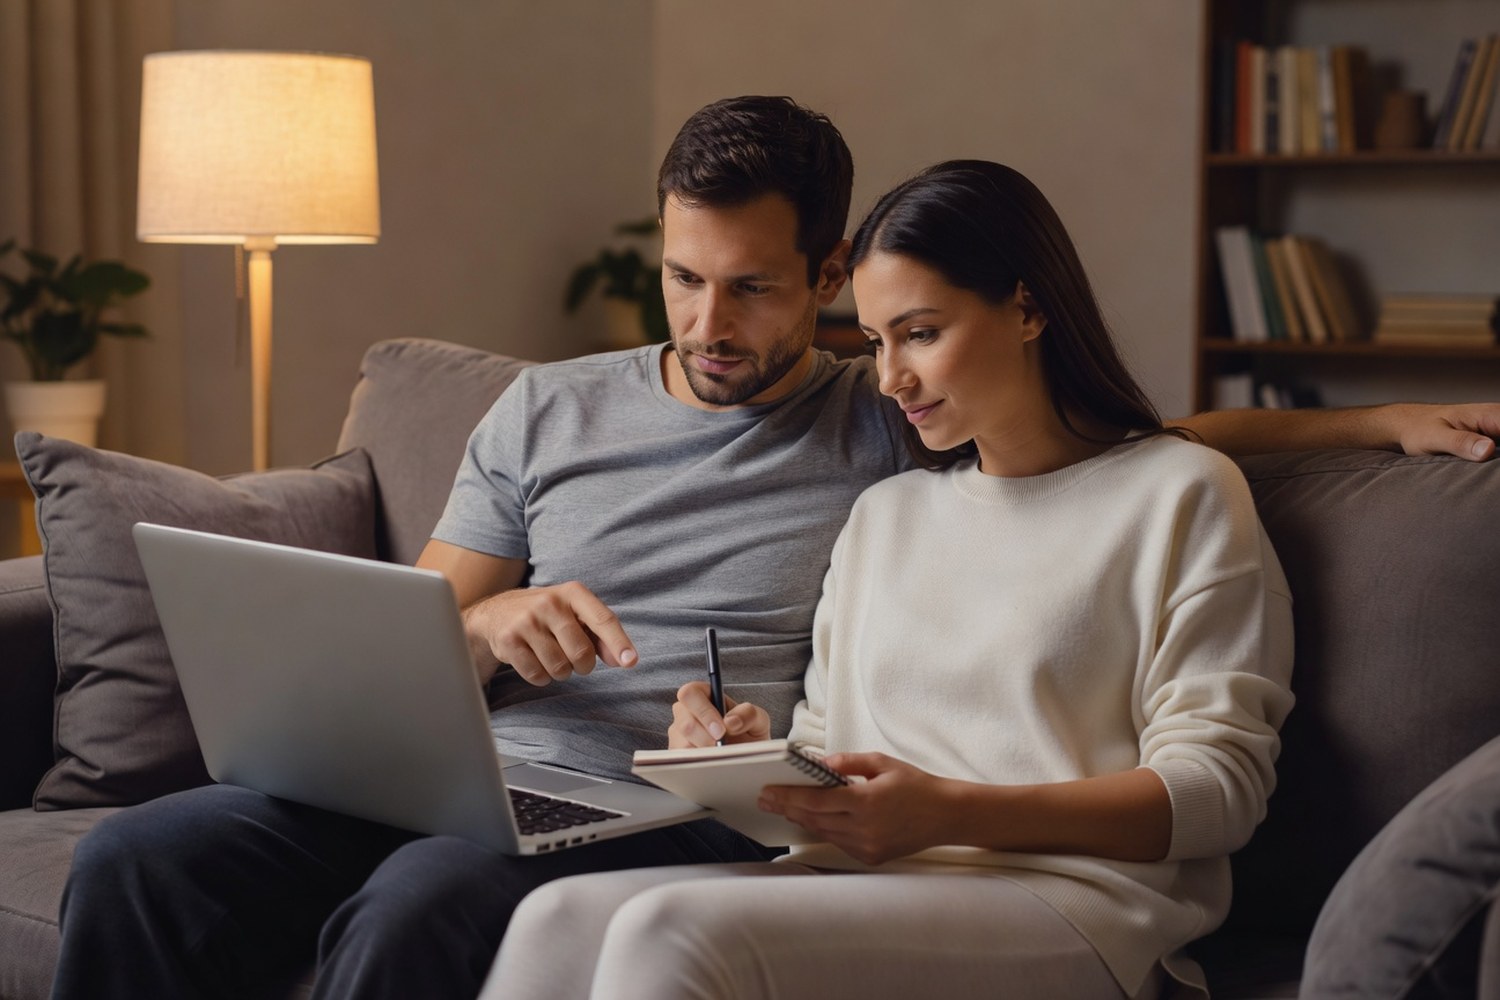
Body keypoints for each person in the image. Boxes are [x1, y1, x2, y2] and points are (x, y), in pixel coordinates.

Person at [48, 96, 1498, 1000]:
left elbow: (1087, 451)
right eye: (683, 277)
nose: (705, 322)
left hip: (666, 811)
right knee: (145, 859)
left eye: (752, 290)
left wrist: (1362, 423)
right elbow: (419, 633)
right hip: (487, 767)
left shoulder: (882, 430)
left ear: (822, 279)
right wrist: (492, 635)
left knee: (427, 904)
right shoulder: (556, 412)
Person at [483, 159, 1297, 1000]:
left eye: (921, 334)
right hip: (857, 876)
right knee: (556, 917)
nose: (889, 379)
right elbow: (831, 743)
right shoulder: (886, 514)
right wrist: (749, 757)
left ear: (1027, 308)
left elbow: (1220, 793)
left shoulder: (1180, 493)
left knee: (669, 930)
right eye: (875, 342)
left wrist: (950, 811)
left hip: (1070, 899)